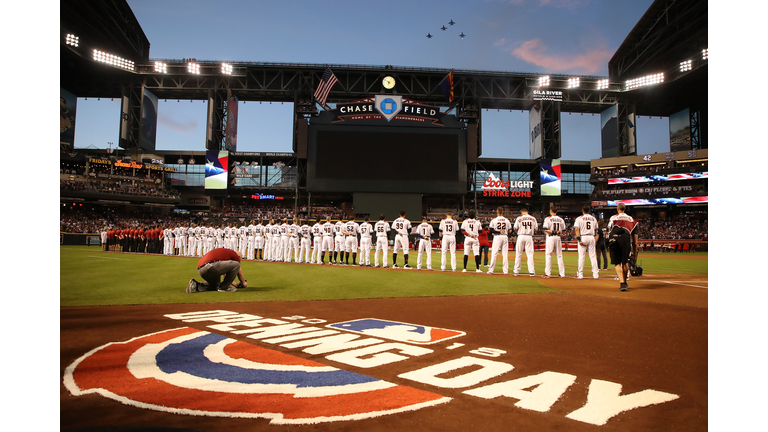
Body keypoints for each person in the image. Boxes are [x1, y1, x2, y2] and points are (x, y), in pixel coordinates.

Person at [607, 203, 639, 292]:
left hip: (615, 238)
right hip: (626, 239)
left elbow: (609, 231)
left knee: (617, 263)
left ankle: (622, 283)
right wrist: (635, 253)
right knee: (625, 262)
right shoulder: (631, 219)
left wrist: (609, 240)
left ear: (618, 208)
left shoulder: (613, 217)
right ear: (625, 209)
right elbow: (635, 240)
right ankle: (624, 282)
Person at [573, 205, 600, 279]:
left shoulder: (579, 218)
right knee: (593, 256)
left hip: (583, 236)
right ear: (589, 211)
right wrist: (595, 240)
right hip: (591, 236)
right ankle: (595, 274)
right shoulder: (594, 219)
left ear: (582, 210)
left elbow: (576, 230)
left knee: (581, 256)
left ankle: (580, 274)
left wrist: (579, 240)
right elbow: (597, 231)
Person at [513, 207, 538, 276]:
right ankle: (532, 271)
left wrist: (519, 232)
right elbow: (536, 229)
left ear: (522, 212)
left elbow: (515, 228)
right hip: (529, 236)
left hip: (521, 236)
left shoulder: (519, 218)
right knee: (530, 254)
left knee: (518, 254)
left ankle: (516, 271)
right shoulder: (533, 218)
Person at [542, 206, 566, 278]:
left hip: (550, 237)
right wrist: (558, 232)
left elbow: (545, 229)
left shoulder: (548, 219)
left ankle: (548, 273)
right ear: (557, 211)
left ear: (551, 211)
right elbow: (564, 231)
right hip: (558, 238)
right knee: (559, 255)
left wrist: (554, 232)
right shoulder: (561, 219)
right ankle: (562, 273)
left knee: (549, 255)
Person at [487, 207, 512, 275]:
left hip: (497, 237)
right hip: (505, 237)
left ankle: (491, 270)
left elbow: (491, 230)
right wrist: (505, 231)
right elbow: (510, 230)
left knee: (494, 254)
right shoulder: (507, 220)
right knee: (505, 254)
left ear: (497, 212)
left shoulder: (494, 220)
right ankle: (505, 271)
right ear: (503, 212)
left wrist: (498, 231)